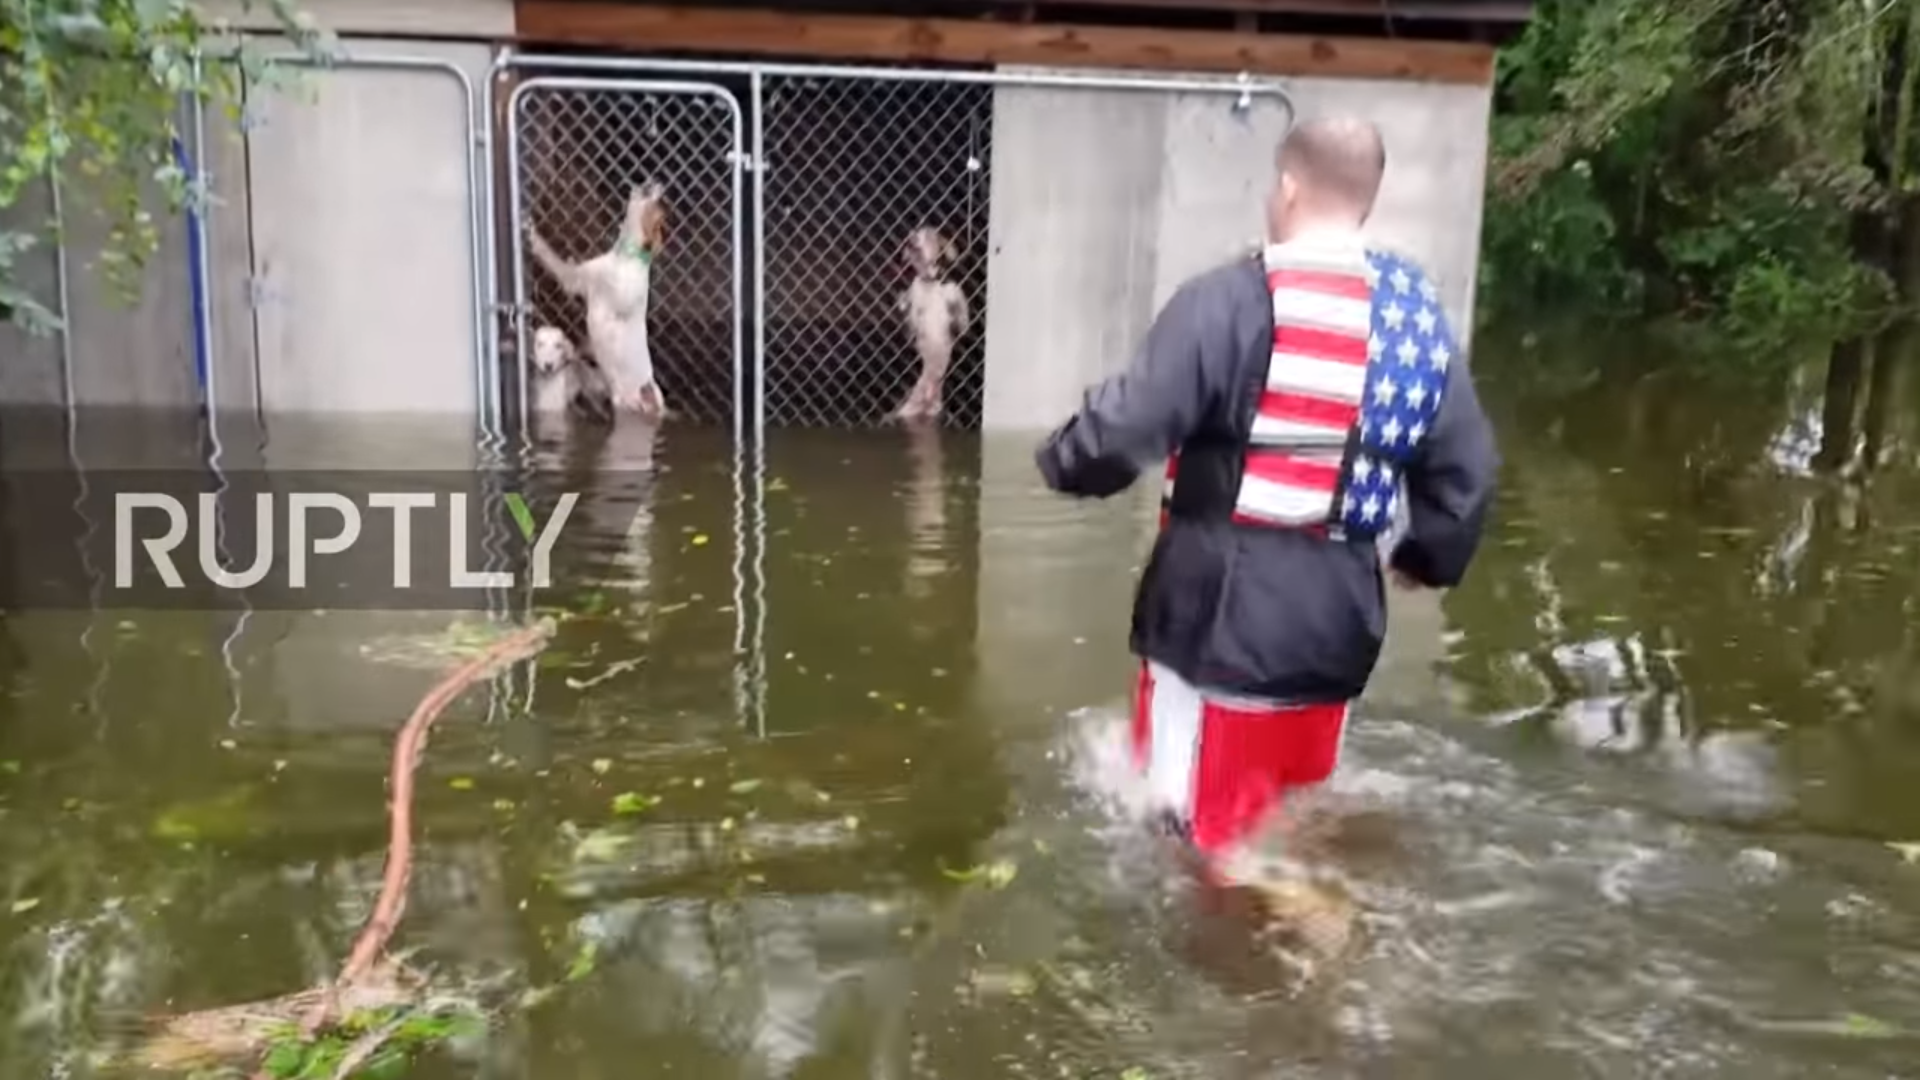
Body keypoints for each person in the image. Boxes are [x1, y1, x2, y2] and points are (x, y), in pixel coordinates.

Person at [1034, 116, 1500, 874]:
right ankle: (1315, 918)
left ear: (1286, 186)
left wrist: (1063, 462)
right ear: (1366, 201)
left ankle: (1302, 940)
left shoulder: (1229, 300)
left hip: (1219, 627)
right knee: (1293, 824)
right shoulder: (1415, 318)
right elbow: (1468, 470)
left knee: (1190, 844)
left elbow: (1125, 429)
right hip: (1342, 627)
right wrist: (1427, 558)